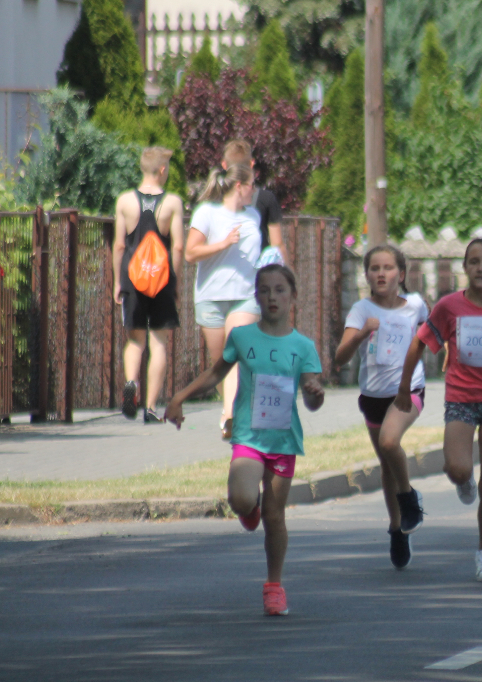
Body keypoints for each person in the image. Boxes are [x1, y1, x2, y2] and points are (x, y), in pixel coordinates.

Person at [164, 264, 325, 616]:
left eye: (280, 290)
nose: (272, 297)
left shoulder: (303, 346)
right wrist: (180, 397)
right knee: (240, 498)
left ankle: (274, 585)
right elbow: (215, 373)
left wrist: (315, 392)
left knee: (275, 516)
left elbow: (312, 398)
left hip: (283, 442)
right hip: (249, 437)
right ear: (256, 296)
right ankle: (247, 508)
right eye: (265, 290)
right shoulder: (242, 337)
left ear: (293, 297)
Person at [394, 238, 482, 582]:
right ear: (464, 267)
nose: (481, 268)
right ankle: (464, 481)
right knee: (456, 468)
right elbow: (419, 343)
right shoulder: (449, 306)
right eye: (474, 262)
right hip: (460, 398)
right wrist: (403, 386)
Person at [334, 245, 427, 570]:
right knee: (387, 465)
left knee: (390, 442)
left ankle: (409, 501)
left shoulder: (415, 305)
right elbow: (340, 357)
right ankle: (396, 527)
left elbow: (435, 332)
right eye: (375, 268)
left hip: (407, 390)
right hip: (372, 396)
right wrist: (361, 335)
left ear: (401, 274)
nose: (382, 273)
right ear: (367, 275)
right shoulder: (361, 309)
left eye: (389, 268)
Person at [185, 163, 263, 440]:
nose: (256, 189)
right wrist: (223, 244)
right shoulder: (207, 212)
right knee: (220, 362)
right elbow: (190, 253)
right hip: (210, 297)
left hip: (245, 297)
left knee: (236, 352)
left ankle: (231, 414)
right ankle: (230, 406)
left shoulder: (254, 216)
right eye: (252, 183)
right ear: (239, 186)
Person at [111, 147, 185, 422]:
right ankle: (151, 408)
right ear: (162, 170)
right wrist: (174, 282)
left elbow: (119, 245)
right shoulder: (173, 203)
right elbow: (177, 248)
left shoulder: (125, 202)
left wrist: (118, 281)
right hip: (161, 280)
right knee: (159, 343)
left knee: (135, 340)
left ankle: (132, 382)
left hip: (133, 279)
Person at [221, 139, 291, 267]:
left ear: (224, 165)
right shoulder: (266, 198)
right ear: (251, 163)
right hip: (257, 273)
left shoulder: (214, 200)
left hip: (224, 269)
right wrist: (289, 275)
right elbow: (277, 244)